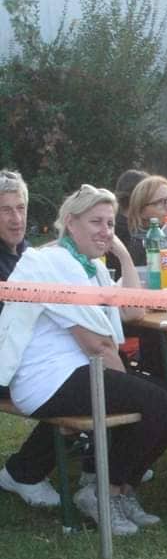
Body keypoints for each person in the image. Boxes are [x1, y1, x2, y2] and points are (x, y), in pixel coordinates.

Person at [0, 184, 167, 535]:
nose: (105, 231)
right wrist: (130, 385)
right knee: (158, 403)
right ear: (71, 222)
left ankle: (120, 490)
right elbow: (97, 344)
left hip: (77, 371)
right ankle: (101, 493)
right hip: (46, 381)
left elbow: (132, 311)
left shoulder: (90, 266)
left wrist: (122, 254)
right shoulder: (56, 263)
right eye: (96, 222)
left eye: (110, 223)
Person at [0, 169, 62, 507]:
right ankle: (24, 472)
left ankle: (102, 460)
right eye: (5, 210)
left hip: (33, 355)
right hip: (7, 366)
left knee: (103, 361)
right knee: (74, 380)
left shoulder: (28, 254)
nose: (16, 218)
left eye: (20, 208)